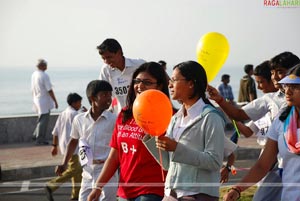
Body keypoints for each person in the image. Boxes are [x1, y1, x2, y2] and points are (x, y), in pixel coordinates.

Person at [207, 51, 300, 201]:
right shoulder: (281, 120)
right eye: (286, 85)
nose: (287, 90)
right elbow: (262, 164)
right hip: (277, 169)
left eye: (294, 86)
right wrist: (237, 189)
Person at [87, 62, 170, 201]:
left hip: (151, 191)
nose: (140, 86)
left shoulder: (168, 115)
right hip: (125, 191)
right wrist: (98, 187)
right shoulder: (124, 114)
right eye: (137, 81)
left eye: (147, 82)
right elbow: (114, 156)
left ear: (160, 85)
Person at [145, 61, 226, 200]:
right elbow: (167, 163)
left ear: (191, 83)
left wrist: (177, 148)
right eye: (170, 80)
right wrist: (151, 136)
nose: (169, 84)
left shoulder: (211, 117)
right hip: (172, 193)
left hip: (198, 194)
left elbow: (214, 161)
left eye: (174, 80)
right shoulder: (175, 118)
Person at [55, 80, 118, 201]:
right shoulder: (79, 119)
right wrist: (64, 163)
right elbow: (73, 141)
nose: (109, 98)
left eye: (110, 94)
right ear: (93, 98)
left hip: (107, 173)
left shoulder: (114, 120)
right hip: (87, 172)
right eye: (104, 95)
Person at [45, 93, 84, 201]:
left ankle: (75, 195)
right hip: (73, 148)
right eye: (79, 102)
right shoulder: (75, 114)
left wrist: (54, 145)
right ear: (74, 103)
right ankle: (51, 185)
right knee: (74, 169)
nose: (80, 104)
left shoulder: (62, 114)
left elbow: (55, 131)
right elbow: (83, 128)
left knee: (77, 172)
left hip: (64, 146)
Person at [97, 38, 145, 113]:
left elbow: (161, 77)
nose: (106, 61)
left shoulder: (139, 65)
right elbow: (101, 92)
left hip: (141, 112)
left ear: (119, 52)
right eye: (103, 58)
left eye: (109, 57)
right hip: (120, 116)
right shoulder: (106, 70)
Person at [31, 59, 58, 145]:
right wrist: (55, 101)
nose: (46, 66)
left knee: (41, 118)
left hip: (37, 99)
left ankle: (35, 135)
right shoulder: (44, 75)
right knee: (44, 120)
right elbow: (49, 89)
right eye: (45, 64)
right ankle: (40, 139)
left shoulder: (34, 74)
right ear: (42, 66)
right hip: (43, 100)